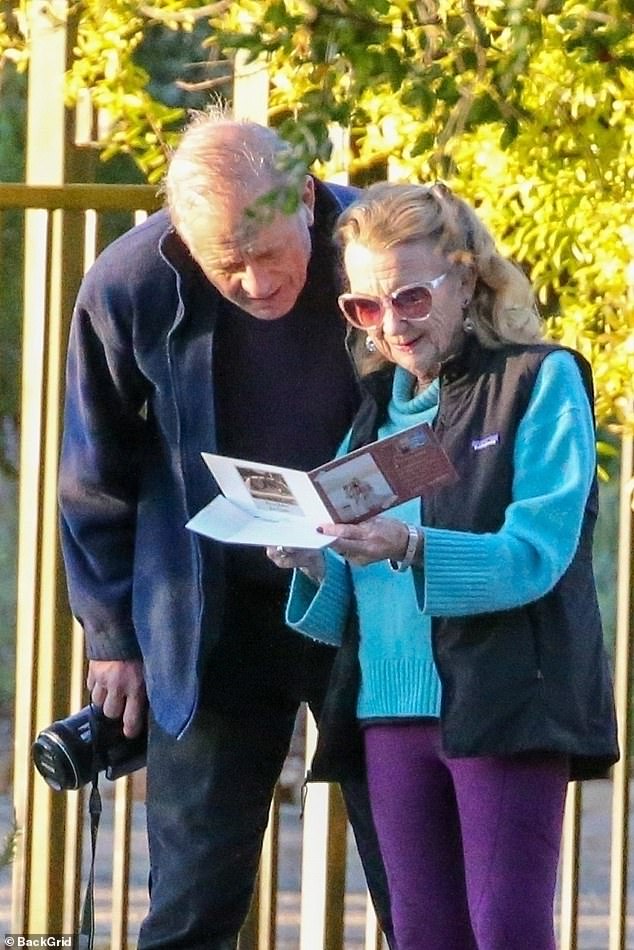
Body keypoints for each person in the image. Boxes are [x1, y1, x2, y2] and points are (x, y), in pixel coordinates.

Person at [57, 108, 394, 949]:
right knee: (194, 896)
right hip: (212, 607)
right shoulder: (129, 281)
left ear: (309, 201)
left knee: (417, 881)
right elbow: (93, 470)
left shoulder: (385, 254)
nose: (252, 282)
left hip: (374, 593)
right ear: (181, 237)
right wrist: (111, 636)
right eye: (225, 264)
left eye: (268, 254)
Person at [268, 181, 619, 950]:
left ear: (467, 278)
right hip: (388, 711)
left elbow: (538, 557)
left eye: (412, 299)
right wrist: (312, 560)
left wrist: (413, 545)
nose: (391, 325)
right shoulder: (374, 408)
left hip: (501, 700)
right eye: (365, 307)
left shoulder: (538, 380)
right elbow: (358, 589)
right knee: (421, 934)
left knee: (507, 932)